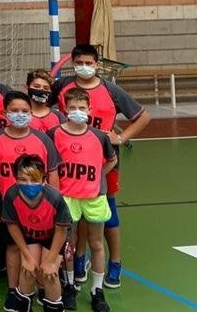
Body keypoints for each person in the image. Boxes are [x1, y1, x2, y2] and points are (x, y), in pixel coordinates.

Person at [56, 43, 149, 290]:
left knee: (107, 211)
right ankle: (77, 259)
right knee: (77, 213)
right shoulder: (62, 87)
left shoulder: (111, 90)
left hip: (104, 163)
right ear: (72, 63)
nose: (84, 67)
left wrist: (122, 137)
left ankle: (115, 262)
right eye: (79, 62)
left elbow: (143, 116)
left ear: (96, 64)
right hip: (72, 165)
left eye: (89, 62)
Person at [0, 91, 60, 312]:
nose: (20, 115)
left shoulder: (42, 139)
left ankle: (40, 289)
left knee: (38, 250)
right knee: (12, 247)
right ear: (5, 113)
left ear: (31, 113)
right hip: (9, 206)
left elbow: (53, 173)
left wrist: (54, 205)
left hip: (39, 207)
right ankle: (13, 291)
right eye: (14, 111)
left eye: (24, 111)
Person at [51, 87, 116, 312]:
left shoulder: (99, 135)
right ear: (65, 109)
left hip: (94, 196)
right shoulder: (55, 133)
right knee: (68, 244)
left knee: (96, 243)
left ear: (89, 109)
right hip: (67, 197)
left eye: (81, 108)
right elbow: (50, 166)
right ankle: (69, 285)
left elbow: (111, 160)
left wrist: (97, 177)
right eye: (72, 108)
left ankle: (97, 291)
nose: (77, 111)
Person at [2, 155, 72, 312]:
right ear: (15, 178)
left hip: (54, 237)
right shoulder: (11, 195)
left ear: (43, 179)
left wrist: (50, 261)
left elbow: (62, 229)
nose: (28, 184)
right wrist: (26, 256)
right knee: (28, 270)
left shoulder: (54, 198)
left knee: (49, 274)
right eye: (23, 179)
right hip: (30, 235)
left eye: (33, 179)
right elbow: (13, 226)